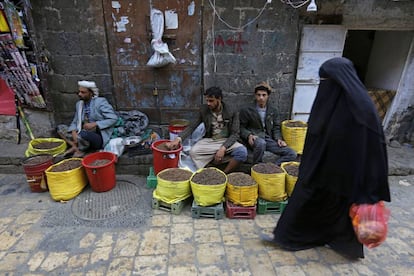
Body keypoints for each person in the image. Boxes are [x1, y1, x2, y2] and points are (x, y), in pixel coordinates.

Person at [262, 57, 391, 259]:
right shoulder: (331, 102)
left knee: (341, 207)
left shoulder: (362, 109)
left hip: (349, 172)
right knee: (305, 197)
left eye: (326, 81)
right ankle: (286, 237)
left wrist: (368, 182)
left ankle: (344, 246)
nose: (323, 86)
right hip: (321, 165)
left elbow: (373, 146)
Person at [166, 86, 248, 174]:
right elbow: (192, 126)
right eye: (207, 100)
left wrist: (223, 148)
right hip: (210, 141)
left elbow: (235, 134)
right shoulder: (204, 110)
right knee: (193, 152)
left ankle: (224, 174)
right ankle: (209, 169)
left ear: (219, 99)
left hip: (226, 140)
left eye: (211, 101)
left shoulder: (231, 110)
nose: (208, 103)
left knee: (242, 152)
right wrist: (178, 139)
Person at [239, 81, 297, 166]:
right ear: (255, 96)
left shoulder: (273, 110)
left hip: (268, 138)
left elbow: (276, 127)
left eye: (264, 95)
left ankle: (273, 167)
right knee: (261, 143)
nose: (261, 98)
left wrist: (278, 139)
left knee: (292, 153)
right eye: (258, 95)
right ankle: (256, 166)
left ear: (268, 96)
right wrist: (249, 135)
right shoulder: (247, 110)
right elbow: (241, 127)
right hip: (255, 137)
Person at [57, 80, 119, 157]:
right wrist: (73, 132)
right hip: (83, 132)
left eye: (83, 92)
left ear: (91, 93)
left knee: (83, 135)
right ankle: (76, 146)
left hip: (98, 136)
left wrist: (95, 124)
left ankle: (80, 148)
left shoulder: (100, 102)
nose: (79, 94)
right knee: (60, 128)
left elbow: (113, 119)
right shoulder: (79, 104)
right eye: (79, 92)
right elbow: (75, 121)